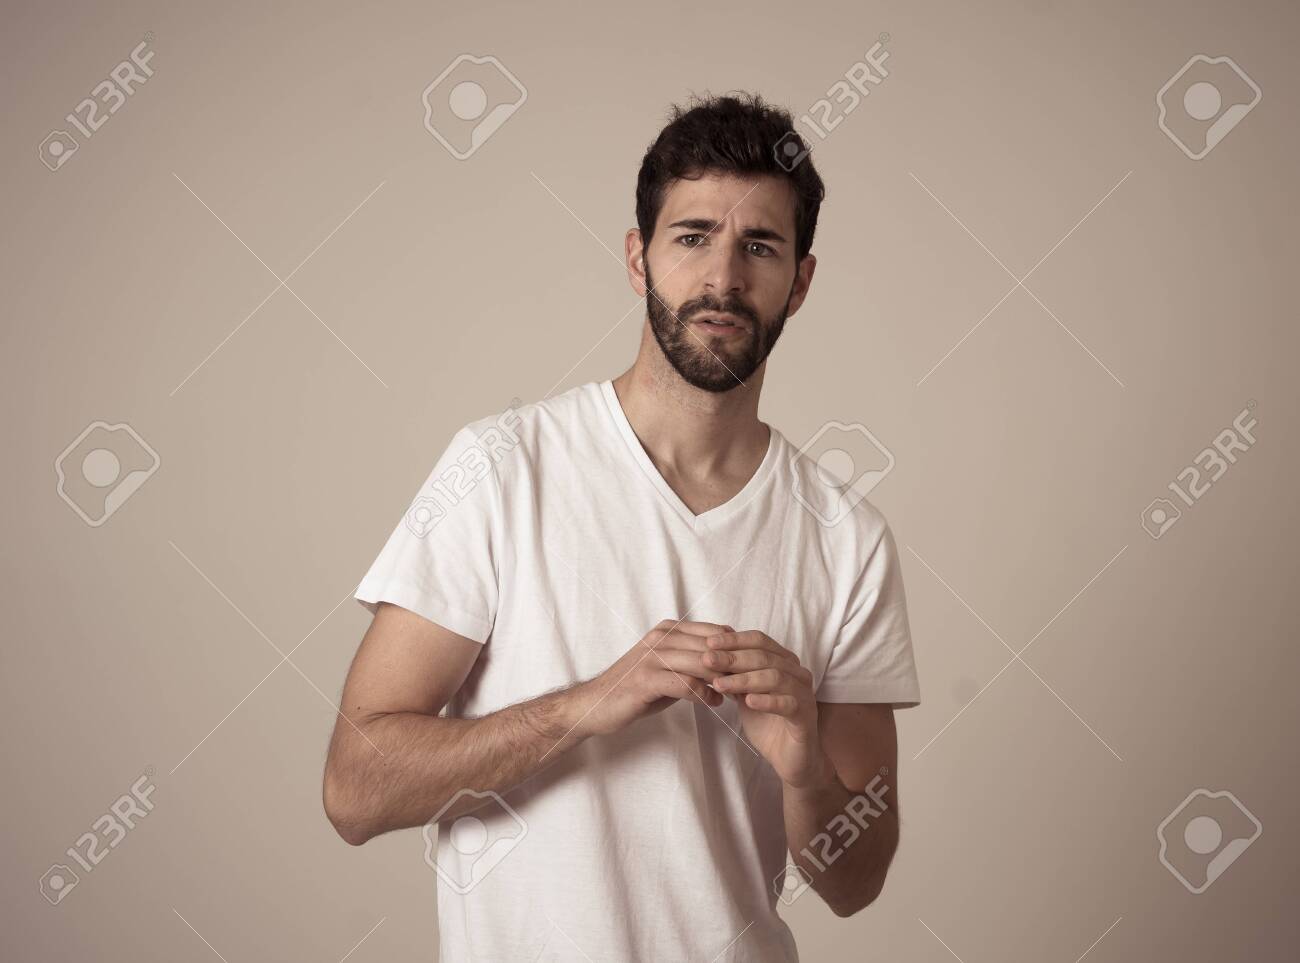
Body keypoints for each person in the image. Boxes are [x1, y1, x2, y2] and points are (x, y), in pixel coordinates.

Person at [322, 91, 921, 962]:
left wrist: (806, 772)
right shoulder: (501, 467)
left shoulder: (846, 538)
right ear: (639, 260)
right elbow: (355, 788)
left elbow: (855, 880)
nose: (722, 278)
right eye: (693, 236)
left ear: (800, 281)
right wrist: (584, 706)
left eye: (759, 246)